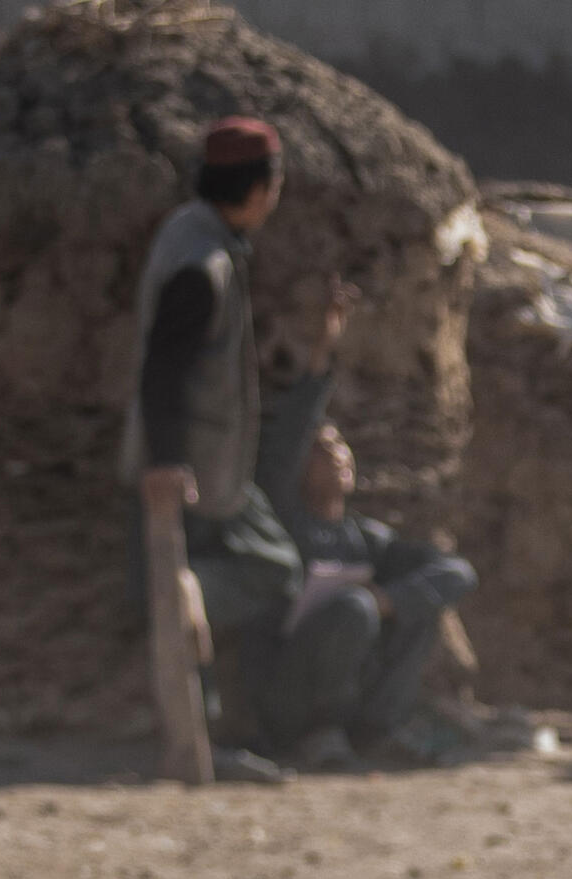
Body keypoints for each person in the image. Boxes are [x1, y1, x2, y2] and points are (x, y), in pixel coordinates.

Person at [125, 115, 301, 783]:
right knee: (261, 571)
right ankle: (200, 734)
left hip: (210, 462)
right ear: (258, 189)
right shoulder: (201, 266)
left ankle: (218, 731)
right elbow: (164, 368)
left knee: (260, 568)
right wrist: (167, 460)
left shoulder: (197, 237)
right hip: (194, 468)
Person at [265, 357, 480, 769]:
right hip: (290, 696)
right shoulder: (286, 526)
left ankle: (381, 730)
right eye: (322, 449)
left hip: (357, 701)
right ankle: (316, 736)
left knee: (416, 605)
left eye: (342, 446)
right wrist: (321, 355)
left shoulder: (368, 540)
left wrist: (389, 600)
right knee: (354, 607)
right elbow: (286, 441)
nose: (339, 456)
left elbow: (458, 573)